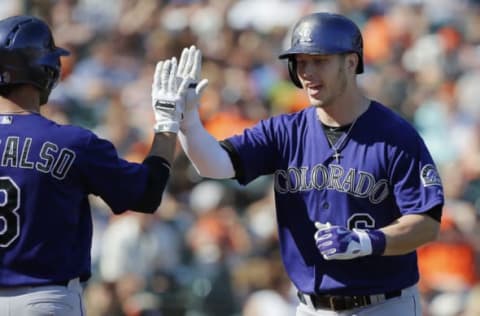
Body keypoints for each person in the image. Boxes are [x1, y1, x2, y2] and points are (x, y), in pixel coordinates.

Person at [171, 13, 444, 316]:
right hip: (310, 307)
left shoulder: (395, 135)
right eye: (301, 63)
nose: (308, 73)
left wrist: (367, 241)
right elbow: (215, 166)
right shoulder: (285, 131)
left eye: (320, 61)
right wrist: (188, 124)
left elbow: (426, 225)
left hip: (383, 304)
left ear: (351, 63)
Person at [0, 15, 190, 315]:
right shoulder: (73, 143)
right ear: (46, 71)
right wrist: (167, 123)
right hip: (45, 300)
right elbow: (148, 193)